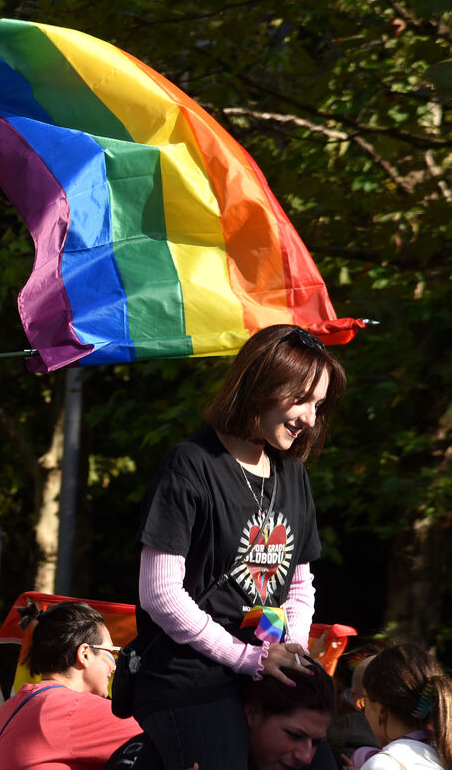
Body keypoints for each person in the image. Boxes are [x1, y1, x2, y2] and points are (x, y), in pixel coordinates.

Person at [132, 325, 346, 770]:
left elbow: (299, 587)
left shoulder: (294, 476)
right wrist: (249, 658)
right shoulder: (191, 464)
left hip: (264, 676)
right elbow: (160, 593)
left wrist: (292, 651)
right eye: (302, 400)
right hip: (191, 681)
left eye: (319, 405)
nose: (311, 418)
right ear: (262, 385)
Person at [0, 600, 140, 770]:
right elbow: (157, 727)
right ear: (85, 654)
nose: (114, 666)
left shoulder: (8, 707)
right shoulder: (72, 709)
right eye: (111, 653)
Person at [106, 654, 336, 770]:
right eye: (294, 735)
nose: (306, 756)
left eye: (316, 742)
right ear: (253, 712)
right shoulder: (151, 758)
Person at [360, 643, 452, 770]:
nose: (364, 712)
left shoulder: (384, 764)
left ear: (380, 707)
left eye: (364, 702)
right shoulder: (450, 759)